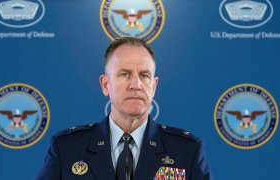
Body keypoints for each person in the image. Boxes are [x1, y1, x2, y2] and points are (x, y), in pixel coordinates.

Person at [36, 37, 212, 180]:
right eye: (125, 74)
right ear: (105, 85)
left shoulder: (187, 151)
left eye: (144, 76)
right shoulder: (67, 148)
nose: (136, 85)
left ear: (154, 86)